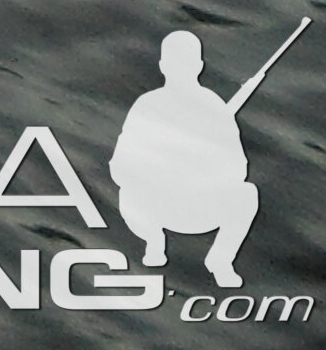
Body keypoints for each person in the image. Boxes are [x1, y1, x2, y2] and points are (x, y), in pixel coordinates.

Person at [111, 30, 262, 289]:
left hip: (200, 206)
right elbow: (120, 166)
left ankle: (221, 260)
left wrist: (203, 168)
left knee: (247, 194)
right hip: (154, 208)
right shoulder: (147, 106)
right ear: (164, 66)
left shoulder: (214, 108)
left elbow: (239, 169)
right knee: (128, 192)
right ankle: (154, 241)